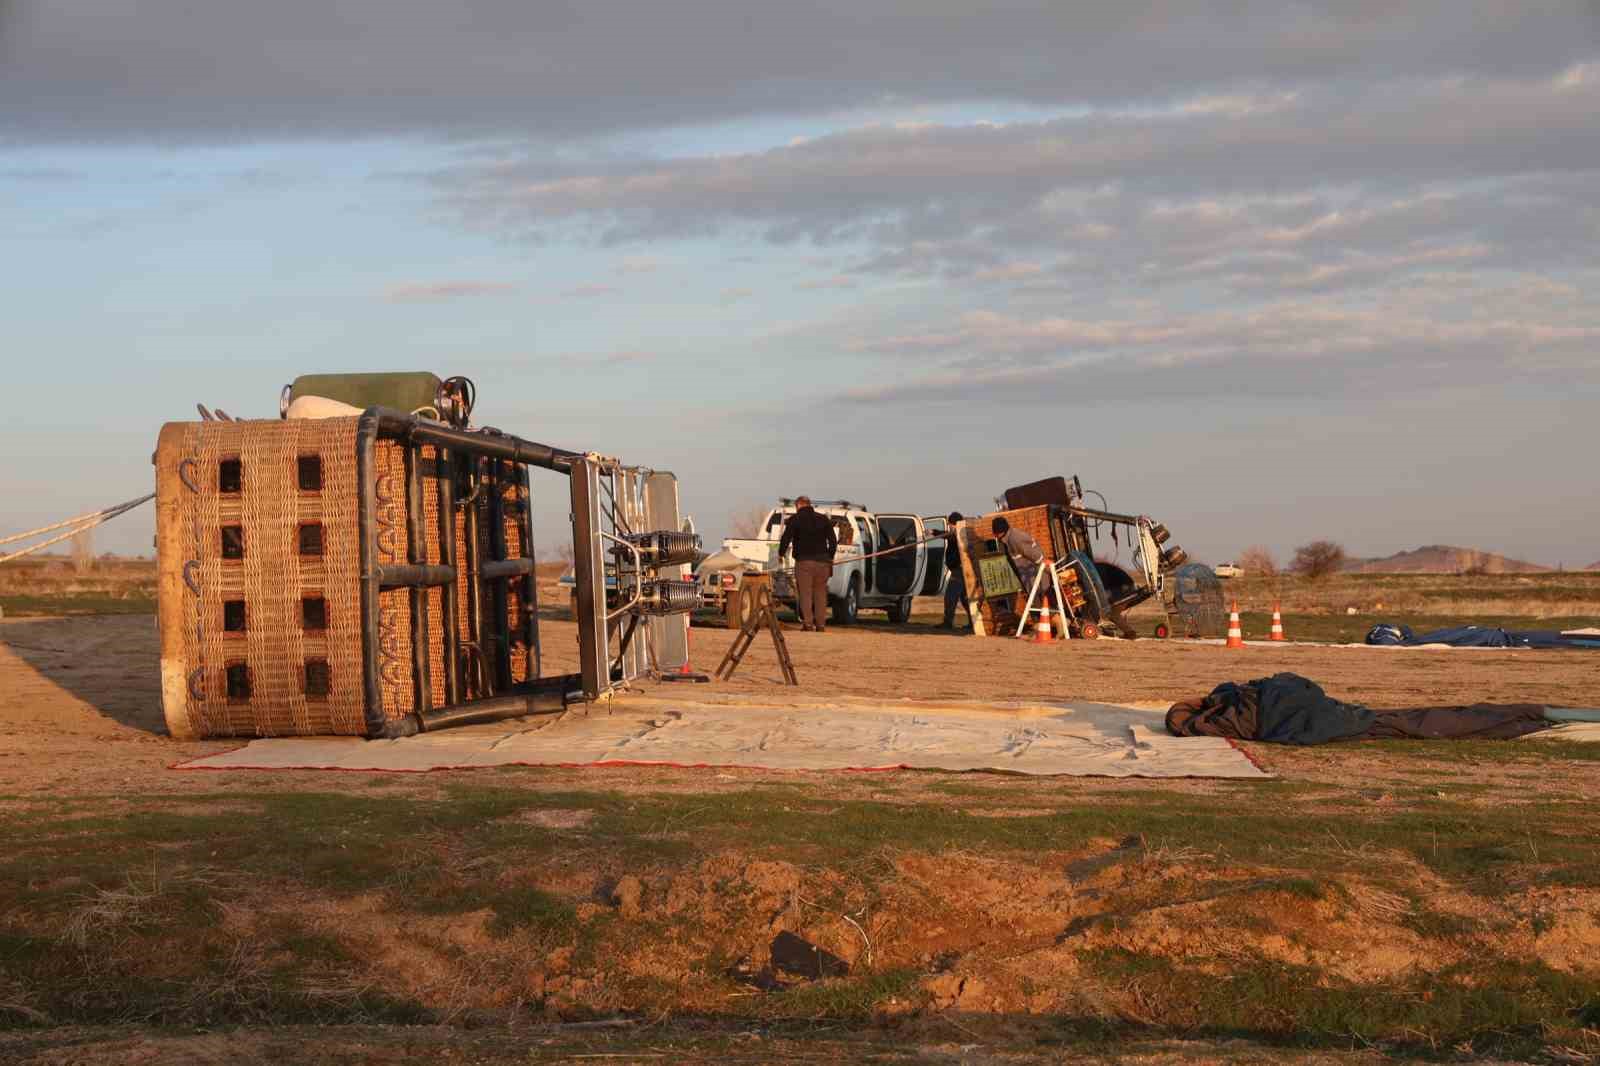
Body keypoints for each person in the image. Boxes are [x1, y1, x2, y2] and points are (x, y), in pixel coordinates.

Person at [779, 496, 838, 631]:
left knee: (805, 593)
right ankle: (821, 625)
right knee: (820, 593)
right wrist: (829, 556)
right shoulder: (823, 519)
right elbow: (833, 541)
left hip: (804, 562)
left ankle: (808, 623)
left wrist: (781, 553)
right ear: (809, 505)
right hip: (823, 562)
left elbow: (786, 538)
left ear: (798, 506)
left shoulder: (795, 520)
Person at [991, 515, 1047, 605]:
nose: (994, 535)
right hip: (1029, 582)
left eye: (995, 532)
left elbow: (1036, 556)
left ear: (999, 532)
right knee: (1038, 611)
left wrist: (1049, 571)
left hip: (1037, 582)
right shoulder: (1006, 540)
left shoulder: (1015, 538)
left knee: (1044, 611)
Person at [939, 511, 973, 631]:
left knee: (950, 596)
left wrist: (934, 532)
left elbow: (950, 536)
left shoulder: (959, 534)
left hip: (959, 570)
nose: (949, 527)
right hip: (960, 569)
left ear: (955, 524)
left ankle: (948, 622)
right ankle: (973, 623)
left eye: (950, 524)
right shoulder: (957, 533)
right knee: (964, 599)